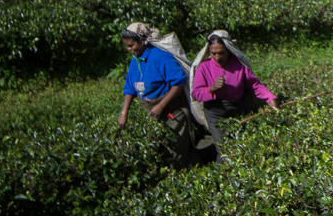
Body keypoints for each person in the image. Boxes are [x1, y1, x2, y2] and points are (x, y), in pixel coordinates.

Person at [118, 22, 200, 166]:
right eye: (127, 47)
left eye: (132, 46)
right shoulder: (134, 61)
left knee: (176, 152)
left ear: (142, 41)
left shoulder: (160, 57)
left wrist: (161, 106)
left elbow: (178, 82)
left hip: (173, 112)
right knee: (157, 151)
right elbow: (129, 88)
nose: (130, 50)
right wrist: (124, 113)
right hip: (152, 112)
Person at [191, 30, 279, 161]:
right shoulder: (204, 67)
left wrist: (270, 99)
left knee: (244, 145)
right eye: (213, 53)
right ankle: (222, 177)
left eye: (221, 53)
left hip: (240, 108)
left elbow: (255, 85)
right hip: (216, 112)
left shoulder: (239, 65)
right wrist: (212, 89)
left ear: (228, 50)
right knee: (223, 149)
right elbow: (196, 94)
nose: (217, 57)